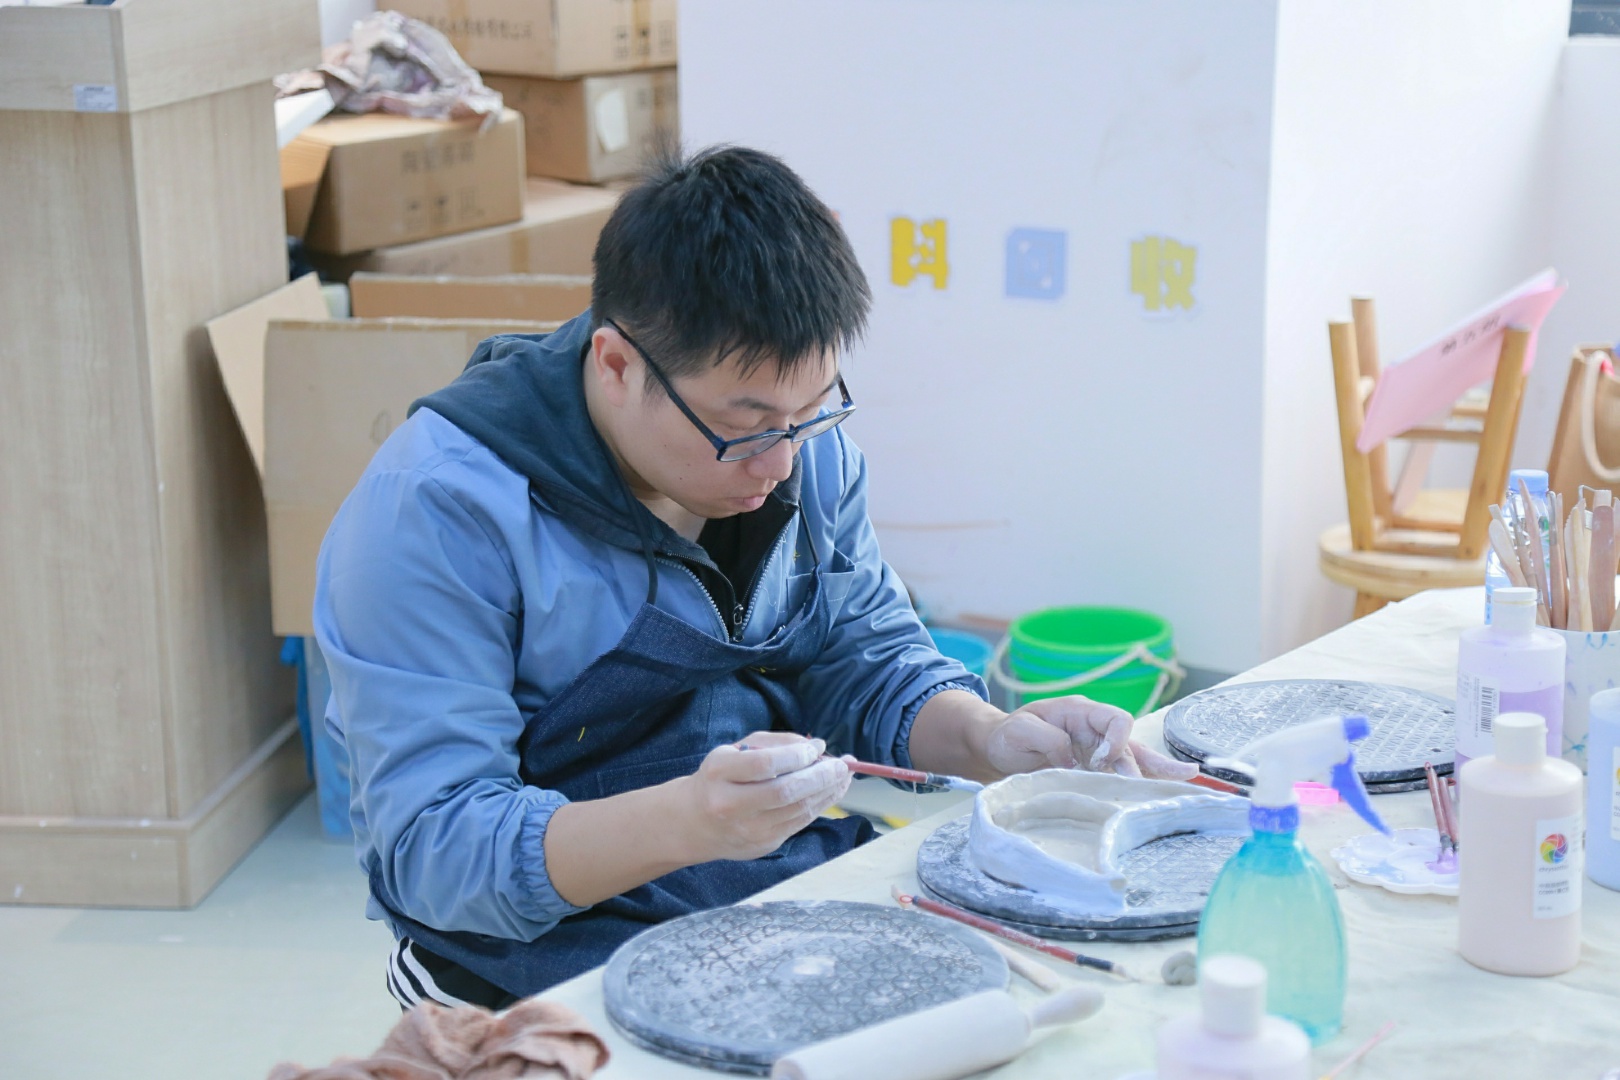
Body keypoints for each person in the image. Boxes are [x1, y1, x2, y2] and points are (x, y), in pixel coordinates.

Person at [314, 144, 1196, 1010]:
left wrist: (990, 739)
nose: (779, 464)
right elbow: (436, 852)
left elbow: (865, 657)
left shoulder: (804, 452)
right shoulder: (439, 510)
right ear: (617, 365)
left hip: (758, 894)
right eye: (746, 426)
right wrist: (688, 821)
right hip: (523, 959)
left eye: (810, 412)